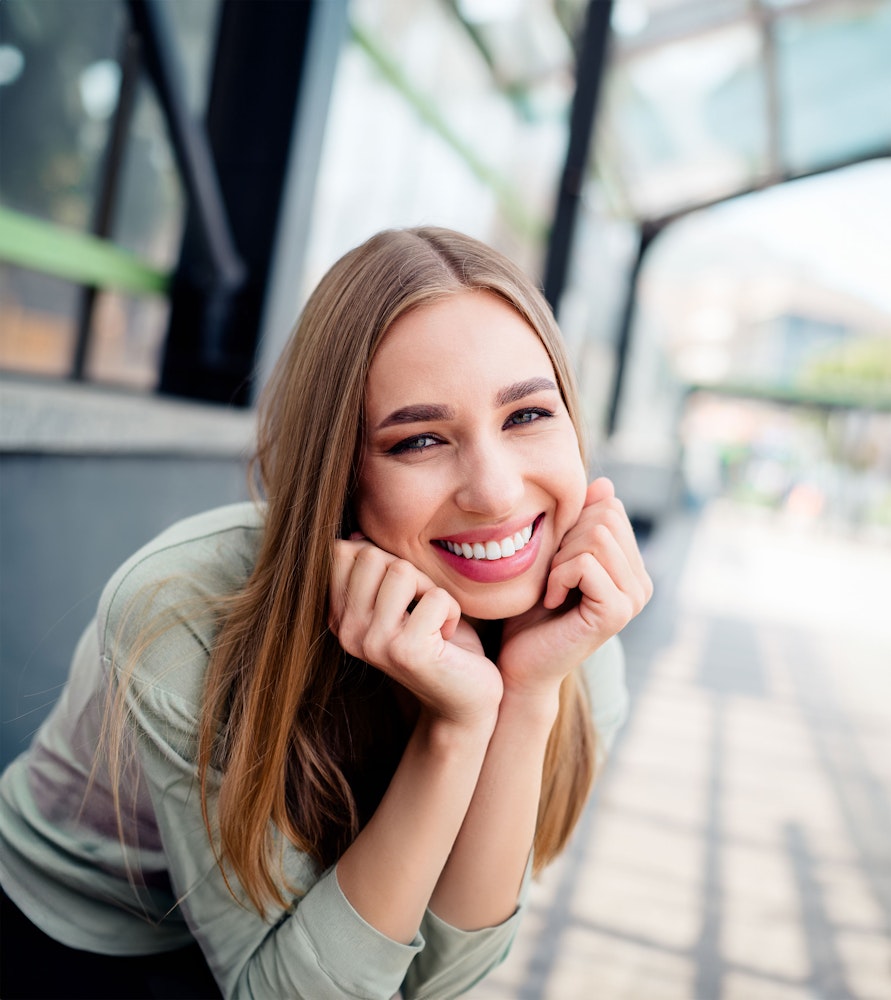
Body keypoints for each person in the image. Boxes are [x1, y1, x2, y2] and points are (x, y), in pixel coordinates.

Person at [0, 227, 652, 999]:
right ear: (341, 473)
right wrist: (454, 732)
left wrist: (523, 697)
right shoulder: (182, 610)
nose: (496, 491)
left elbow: (439, 983)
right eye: (418, 439)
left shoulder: (577, 634)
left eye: (525, 417)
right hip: (88, 945)